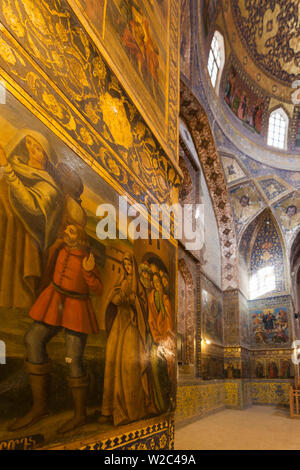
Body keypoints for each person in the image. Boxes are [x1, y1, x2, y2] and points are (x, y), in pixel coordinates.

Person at [9, 224, 103, 433]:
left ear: (80, 239)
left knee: (73, 358)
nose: (66, 233)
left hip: (76, 307)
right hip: (53, 300)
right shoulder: (60, 249)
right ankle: (40, 407)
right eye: (66, 229)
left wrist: (88, 272)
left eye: (71, 231)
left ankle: (80, 415)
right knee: (33, 339)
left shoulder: (87, 258)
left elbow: (98, 288)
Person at [0, 129, 62, 308]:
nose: (32, 149)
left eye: (38, 148)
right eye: (29, 143)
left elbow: (32, 206)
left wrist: (7, 170)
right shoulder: (17, 164)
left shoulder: (49, 186)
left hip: (24, 235)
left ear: (45, 156)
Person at [99, 252, 157, 426]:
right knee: (112, 363)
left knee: (129, 368)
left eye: (129, 264)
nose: (127, 267)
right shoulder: (122, 281)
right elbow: (113, 298)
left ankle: (132, 410)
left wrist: (132, 301)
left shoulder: (139, 284)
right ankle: (110, 410)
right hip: (119, 326)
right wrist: (118, 298)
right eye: (125, 264)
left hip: (132, 328)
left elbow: (143, 305)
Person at [148, 272, 175, 412]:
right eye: (155, 283)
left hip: (165, 339)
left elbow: (169, 321)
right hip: (156, 338)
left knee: (167, 370)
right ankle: (159, 404)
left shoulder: (165, 299)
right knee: (156, 368)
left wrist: (165, 339)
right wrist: (156, 336)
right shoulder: (152, 297)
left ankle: (168, 402)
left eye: (159, 282)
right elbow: (151, 319)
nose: (157, 285)